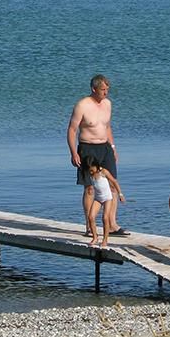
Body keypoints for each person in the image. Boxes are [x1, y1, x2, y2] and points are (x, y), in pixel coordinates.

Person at [68, 74, 126, 236]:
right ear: (94, 89)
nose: (106, 93)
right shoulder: (82, 105)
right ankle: (89, 226)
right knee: (90, 188)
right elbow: (72, 130)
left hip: (105, 147)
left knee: (113, 186)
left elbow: (107, 127)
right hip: (87, 149)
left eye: (107, 89)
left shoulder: (107, 104)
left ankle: (112, 224)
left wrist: (113, 147)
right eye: (102, 90)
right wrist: (74, 153)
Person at [83, 155, 124, 249]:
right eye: (89, 170)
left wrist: (120, 194)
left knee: (105, 218)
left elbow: (114, 181)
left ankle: (105, 240)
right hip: (97, 198)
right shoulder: (90, 174)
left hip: (107, 198)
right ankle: (95, 237)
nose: (91, 172)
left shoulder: (103, 172)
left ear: (96, 165)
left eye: (92, 169)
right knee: (91, 216)